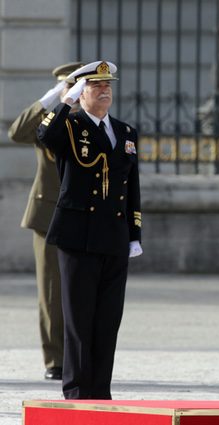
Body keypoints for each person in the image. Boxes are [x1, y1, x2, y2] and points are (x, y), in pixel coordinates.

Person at [37, 60, 142, 399]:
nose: (105, 89)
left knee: (108, 320)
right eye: (96, 85)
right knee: (79, 321)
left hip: (114, 236)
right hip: (78, 235)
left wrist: (134, 234)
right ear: (82, 92)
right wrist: (66, 101)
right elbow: (44, 135)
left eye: (108, 84)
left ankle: (100, 391)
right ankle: (78, 391)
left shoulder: (125, 132)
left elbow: (132, 187)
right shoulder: (70, 126)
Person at [8, 62, 83, 381]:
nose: (75, 93)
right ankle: (55, 360)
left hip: (83, 213)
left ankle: (81, 356)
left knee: (82, 289)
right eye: (70, 86)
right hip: (48, 214)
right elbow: (16, 132)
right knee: (51, 290)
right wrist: (53, 97)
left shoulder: (91, 119)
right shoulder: (47, 119)